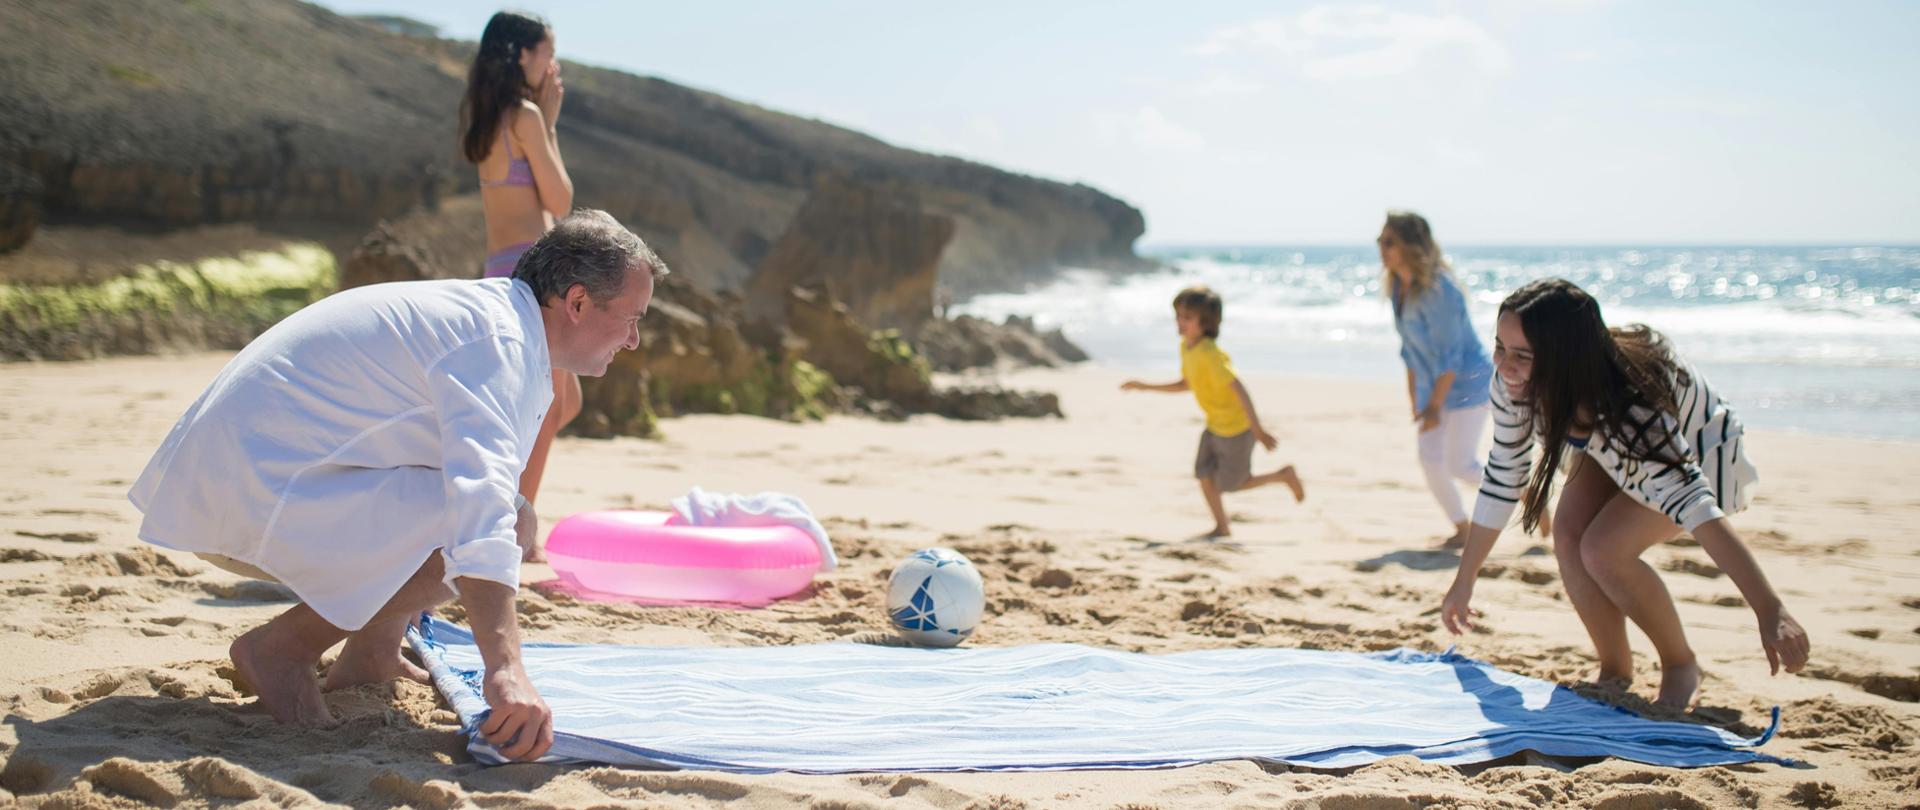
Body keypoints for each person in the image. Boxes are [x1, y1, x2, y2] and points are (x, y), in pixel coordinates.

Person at [128, 211, 667, 759]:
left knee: (510, 511)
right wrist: (506, 672)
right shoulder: (497, 342)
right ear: (576, 302)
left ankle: (371, 654)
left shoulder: (498, 324)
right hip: (250, 492)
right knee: (499, 517)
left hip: (247, 480)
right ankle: (282, 651)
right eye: (631, 319)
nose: (634, 341)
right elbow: (479, 515)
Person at [1440, 278, 1809, 709]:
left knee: (1603, 549)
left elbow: (1697, 507)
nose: (1504, 365)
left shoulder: (1636, 406)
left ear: (1566, 358)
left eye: (1523, 355)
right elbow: (1504, 475)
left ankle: (1680, 664)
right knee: (1569, 533)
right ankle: (1615, 669)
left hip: (1694, 453)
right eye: (1500, 347)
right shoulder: (1515, 385)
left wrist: (1770, 609)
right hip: (1602, 442)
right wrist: (1464, 581)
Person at [461, 10, 579, 539]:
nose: (553, 66)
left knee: (560, 402)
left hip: (500, 268)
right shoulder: (527, 117)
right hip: (534, 274)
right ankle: (513, 526)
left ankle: (503, 511)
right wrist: (549, 127)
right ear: (523, 56)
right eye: (547, 54)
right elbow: (560, 200)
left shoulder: (486, 118)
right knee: (547, 408)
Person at [1122, 285, 1305, 539]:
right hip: (1214, 426)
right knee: (1204, 475)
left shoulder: (1211, 355)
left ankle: (1283, 475)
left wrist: (1257, 429)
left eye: (1187, 318)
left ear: (1205, 323)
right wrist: (1145, 386)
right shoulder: (1187, 348)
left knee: (1233, 484)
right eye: (1177, 316)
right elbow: (1186, 384)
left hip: (1236, 429)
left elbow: (1239, 388)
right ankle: (1222, 526)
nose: (1179, 322)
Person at [1378, 211, 1497, 549]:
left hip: (1466, 385)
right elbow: (1409, 348)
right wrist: (1416, 398)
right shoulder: (1398, 287)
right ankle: (1463, 527)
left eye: (1389, 242)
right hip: (1433, 390)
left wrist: (1432, 403)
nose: (1381, 249)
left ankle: (1521, 489)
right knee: (1430, 459)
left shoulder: (1439, 290)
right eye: (1380, 241)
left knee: (1460, 465)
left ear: (1412, 246)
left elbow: (1452, 356)